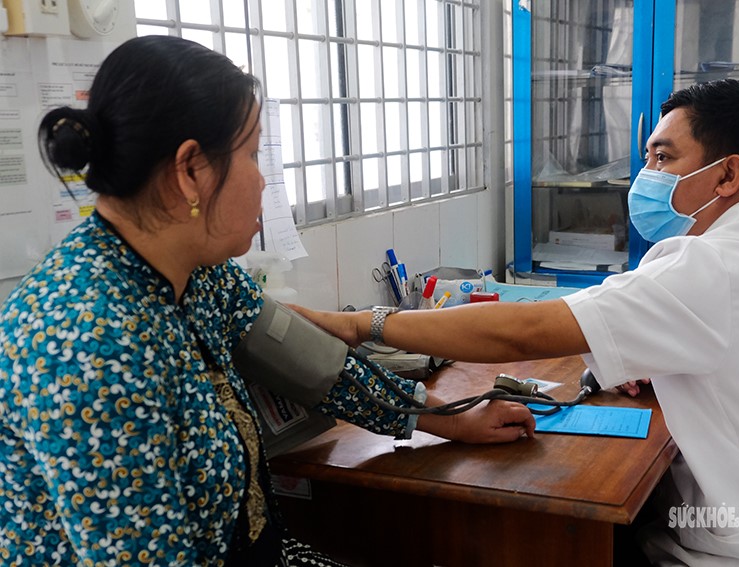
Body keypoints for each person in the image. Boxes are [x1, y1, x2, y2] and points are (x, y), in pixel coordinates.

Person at [0, 35, 536, 567]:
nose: (264, 181)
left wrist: (446, 418)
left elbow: (316, 366)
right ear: (190, 171)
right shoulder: (84, 345)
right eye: (253, 154)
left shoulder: (197, 272)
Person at [295, 79, 739, 566]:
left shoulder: (712, 265)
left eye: (663, 158)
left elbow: (524, 331)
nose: (646, 176)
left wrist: (363, 324)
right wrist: (661, 361)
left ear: (727, 174)